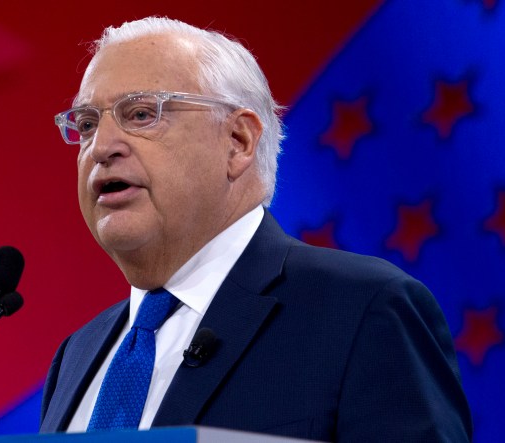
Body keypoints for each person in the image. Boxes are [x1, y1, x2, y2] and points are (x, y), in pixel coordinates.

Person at [40, 16, 472, 442]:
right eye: (87, 125)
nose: (100, 148)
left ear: (238, 141)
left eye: (139, 114)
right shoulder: (76, 355)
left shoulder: (363, 310)